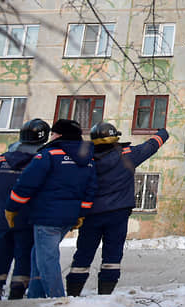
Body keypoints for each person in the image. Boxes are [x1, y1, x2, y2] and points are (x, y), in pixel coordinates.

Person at [65, 123, 169, 297]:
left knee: (82, 255)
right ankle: (105, 295)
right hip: (118, 214)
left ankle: (73, 294)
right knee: (112, 257)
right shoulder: (127, 155)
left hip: (90, 215)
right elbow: (151, 146)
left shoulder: (85, 158)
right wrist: (163, 132)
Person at [4, 119, 97, 298]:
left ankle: (58, 300)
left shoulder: (48, 155)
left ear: (59, 135)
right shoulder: (88, 159)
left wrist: (11, 207)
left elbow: (26, 183)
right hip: (69, 217)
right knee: (37, 255)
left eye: (53, 133)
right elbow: (91, 189)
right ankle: (35, 297)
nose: (51, 136)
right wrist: (81, 214)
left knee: (47, 259)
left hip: (47, 216)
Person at [0, 119, 49, 300]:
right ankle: (17, 295)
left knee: (0, 257)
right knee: (24, 257)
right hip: (28, 220)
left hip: (3, 221)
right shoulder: (42, 161)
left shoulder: (0, 160)